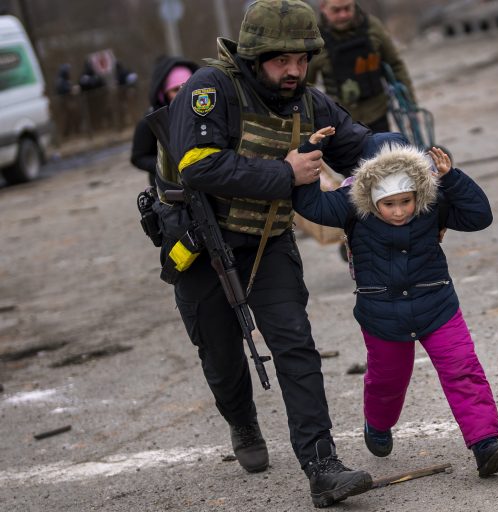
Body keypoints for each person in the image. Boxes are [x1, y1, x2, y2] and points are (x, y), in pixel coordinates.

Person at [165, 0, 374, 507]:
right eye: (282, 60)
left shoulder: (308, 102)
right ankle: (242, 422)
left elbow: (361, 145)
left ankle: (322, 465)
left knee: (295, 344)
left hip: (268, 239)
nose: (294, 70)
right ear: (255, 57)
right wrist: (285, 175)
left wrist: (415, 162)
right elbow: (197, 165)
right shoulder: (208, 89)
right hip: (200, 243)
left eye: (302, 59)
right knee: (220, 355)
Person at [292, 140, 498, 478]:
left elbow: (479, 216)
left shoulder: (432, 203)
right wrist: (306, 158)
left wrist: (452, 178)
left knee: (463, 369)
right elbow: (312, 207)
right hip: (382, 315)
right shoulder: (351, 205)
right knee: (387, 381)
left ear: (417, 193)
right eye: (389, 204)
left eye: (405, 202)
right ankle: (378, 424)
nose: (398, 212)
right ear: (372, 197)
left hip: (437, 306)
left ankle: (485, 443)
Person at [307, 0, 416, 133]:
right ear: (323, 8)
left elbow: (395, 65)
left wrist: (411, 108)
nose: (343, 15)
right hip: (341, 120)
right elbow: (306, 84)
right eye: (336, 10)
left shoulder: (372, 26)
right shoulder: (315, 39)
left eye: (347, 8)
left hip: (378, 113)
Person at [131, 56, 197, 185]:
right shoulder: (150, 122)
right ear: (163, 93)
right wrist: (167, 166)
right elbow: (138, 157)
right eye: (175, 89)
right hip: (167, 187)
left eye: (187, 86)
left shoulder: (205, 113)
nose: (182, 93)